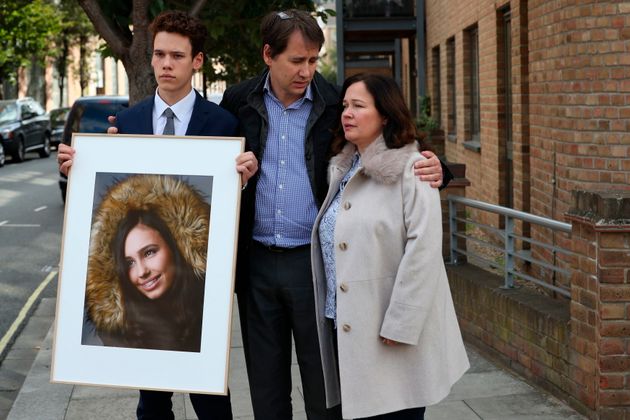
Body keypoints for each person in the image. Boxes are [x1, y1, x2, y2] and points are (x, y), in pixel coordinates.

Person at [219, 9, 451, 419]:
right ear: (268, 55)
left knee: (324, 386)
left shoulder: (331, 103)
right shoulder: (239, 101)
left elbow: (389, 135)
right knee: (265, 386)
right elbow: (198, 155)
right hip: (255, 265)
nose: (307, 70)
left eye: (313, 59)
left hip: (314, 266)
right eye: (296, 60)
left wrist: (440, 168)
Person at [58, 10, 258, 420]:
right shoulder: (128, 121)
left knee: (210, 397)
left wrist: (244, 180)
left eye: (178, 56)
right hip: (147, 291)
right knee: (151, 401)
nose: (166, 64)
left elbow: (229, 206)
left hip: (198, 287)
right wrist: (79, 168)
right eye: (160, 55)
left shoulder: (223, 125)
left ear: (197, 61)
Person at [310, 73, 469, 419]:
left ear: (385, 114)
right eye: (345, 106)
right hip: (347, 326)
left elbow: (424, 251)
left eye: (358, 106)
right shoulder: (342, 167)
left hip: (391, 331)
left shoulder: (414, 169)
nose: (347, 113)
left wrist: (401, 323)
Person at [84, 175, 209, 353]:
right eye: (129, 263)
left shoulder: (209, 300)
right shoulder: (120, 330)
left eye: (149, 252)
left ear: (174, 246)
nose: (142, 272)